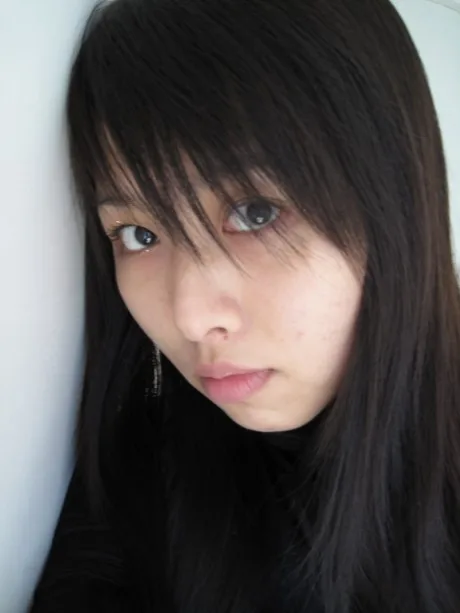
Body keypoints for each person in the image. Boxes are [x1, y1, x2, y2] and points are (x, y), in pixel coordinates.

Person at [30, 0, 460, 611]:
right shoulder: (143, 473)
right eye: (139, 234)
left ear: (395, 204)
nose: (188, 317)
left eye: (255, 212)